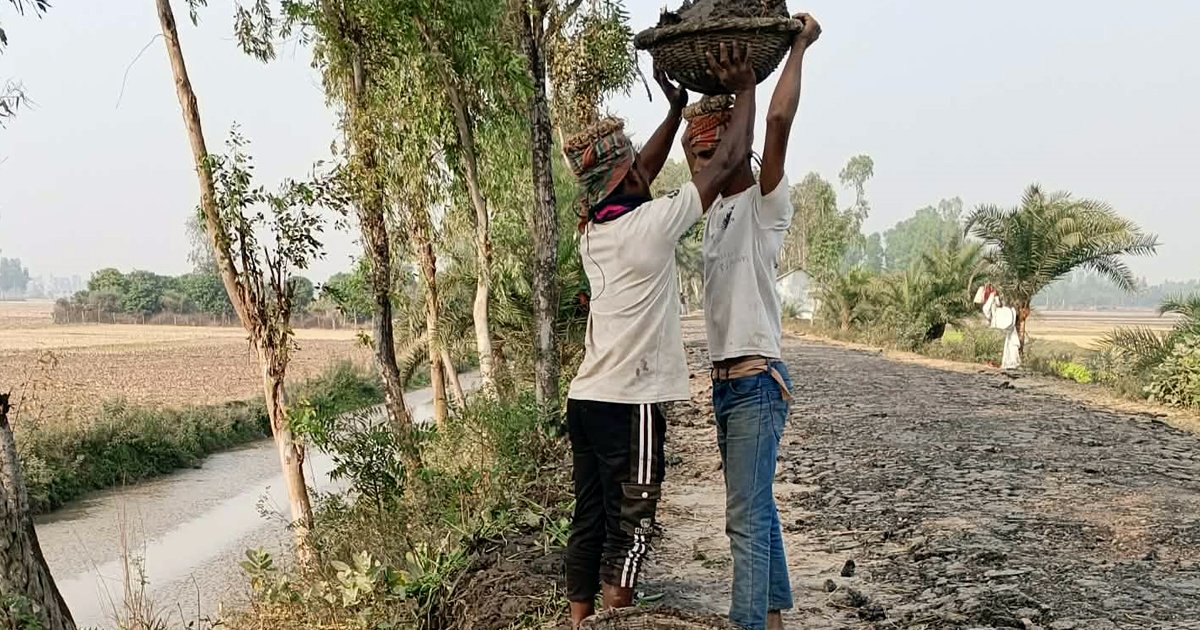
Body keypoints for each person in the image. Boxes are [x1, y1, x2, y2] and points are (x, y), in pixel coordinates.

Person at [562, 44, 758, 629]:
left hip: (586, 398)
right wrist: (746, 91)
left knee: (590, 517)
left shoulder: (594, 232)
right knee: (634, 521)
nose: (644, 171)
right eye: (633, 167)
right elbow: (725, 164)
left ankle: (579, 621)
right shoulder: (650, 228)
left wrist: (674, 111)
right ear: (622, 177)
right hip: (632, 403)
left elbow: (638, 172)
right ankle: (617, 619)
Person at [680, 15, 821, 630]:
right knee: (756, 507)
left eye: (707, 154)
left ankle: (749, 623)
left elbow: (777, 123)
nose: (698, 170)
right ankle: (774, 614)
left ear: (731, 151)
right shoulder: (712, 216)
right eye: (693, 158)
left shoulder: (764, 203)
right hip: (727, 387)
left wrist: (795, 48)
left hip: (758, 383)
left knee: (742, 515)